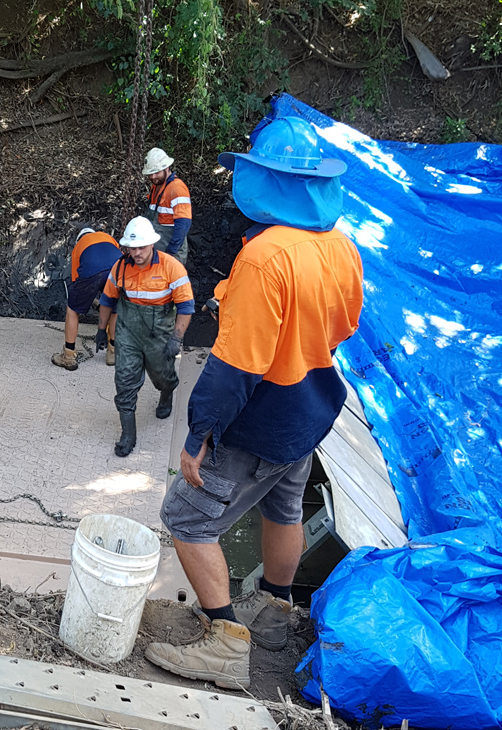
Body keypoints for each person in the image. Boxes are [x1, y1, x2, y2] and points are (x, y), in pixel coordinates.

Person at [144, 116, 364, 690]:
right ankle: (276, 606)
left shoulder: (265, 257)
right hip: (312, 406)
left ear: (266, 181)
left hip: (261, 419)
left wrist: (199, 435)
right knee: (284, 508)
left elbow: (235, 366)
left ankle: (224, 643)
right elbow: (344, 326)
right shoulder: (341, 248)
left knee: (186, 519)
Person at [94, 216, 194, 457]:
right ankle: (128, 435)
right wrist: (101, 329)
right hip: (128, 331)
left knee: (163, 376)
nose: (136, 253)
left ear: (152, 244)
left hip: (159, 331)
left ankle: (166, 393)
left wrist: (176, 339)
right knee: (125, 380)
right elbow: (108, 299)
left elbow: (186, 306)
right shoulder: (120, 267)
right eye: (132, 247)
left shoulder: (171, 267)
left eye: (141, 247)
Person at [52, 228, 122, 371]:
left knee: (72, 309)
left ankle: (69, 356)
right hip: (119, 269)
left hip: (91, 270)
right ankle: (112, 352)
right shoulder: (107, 237)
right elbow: (107, 271)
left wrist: (86, 301)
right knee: (116, 309)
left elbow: (78, 283)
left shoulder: (79, 247)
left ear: (79, 238)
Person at [143, 148, 192, 263]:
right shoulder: (155, 188)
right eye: (150, 173)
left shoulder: (177, 188)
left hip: (171, 251)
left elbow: (183, 224)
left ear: (167, 168)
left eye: (157, 172)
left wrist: (171, 253)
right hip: (158, 249)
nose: (153, 176)